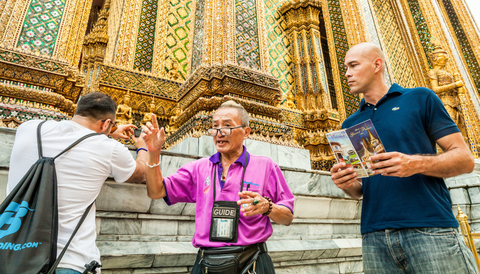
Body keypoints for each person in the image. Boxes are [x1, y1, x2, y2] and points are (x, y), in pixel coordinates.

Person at [330, 42, 477, 273]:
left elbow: (465, 160)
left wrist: (414, 163)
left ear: (376, 65)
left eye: (353, 65)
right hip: (374, 236)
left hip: (429, 228)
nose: (346, 73)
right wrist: (348, 184)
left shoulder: (419, 98)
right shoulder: (351, 123)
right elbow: (361, 189)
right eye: (345, 67)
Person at [7, 92, 162, 274]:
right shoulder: (109, 148)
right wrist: (142, 145)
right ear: (105, 123)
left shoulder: (29, 128)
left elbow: (71, 131)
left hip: (13, 253)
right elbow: (140, 172)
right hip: (68, 261)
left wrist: (109, 130)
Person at [143, 100, 294, 274]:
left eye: (227, 126)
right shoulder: (199, 168)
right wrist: (153, 154)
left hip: (252, 261)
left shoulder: (266, 166)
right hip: (208, 262)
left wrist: (267, 207)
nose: (219, 132)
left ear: (246, 132)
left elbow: (287, 217)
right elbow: (156, 192)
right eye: (215, 127)